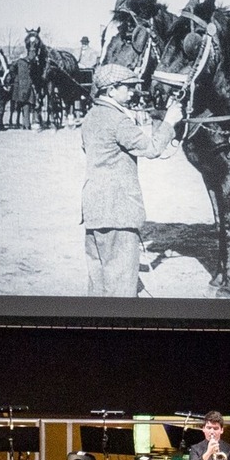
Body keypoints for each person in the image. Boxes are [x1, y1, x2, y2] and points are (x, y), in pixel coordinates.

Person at [80, 63, 183, 297]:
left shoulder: (90, 117)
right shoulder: (118, 121)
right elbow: (153, 148)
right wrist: (169, 122)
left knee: (98, 285)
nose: (133, 92)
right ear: (111, 90)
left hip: (94, 210)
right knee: (122, 290)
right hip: (119, 213)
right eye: (127, 87)